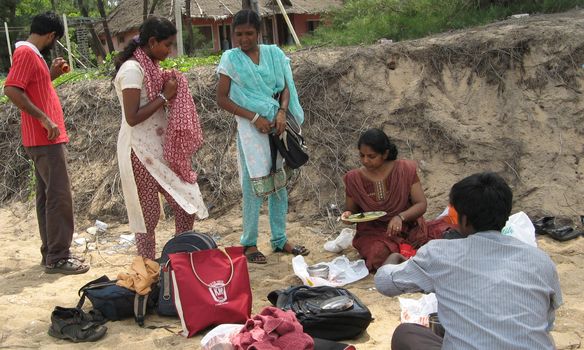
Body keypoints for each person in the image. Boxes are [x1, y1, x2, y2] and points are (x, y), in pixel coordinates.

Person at [375, 172, 563, 350]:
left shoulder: (440, 254)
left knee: (406, 334)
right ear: (505, 215)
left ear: (463, 220)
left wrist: (393, 259)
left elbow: (384, 283)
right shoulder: (540, 260)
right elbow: (546, 323)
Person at [216, 9, 309, 264]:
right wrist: (254, 118)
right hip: (251, 130)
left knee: (279, 183)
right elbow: (222, 98)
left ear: (259, 33)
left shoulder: (273, 54)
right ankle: (249, 243)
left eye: (249, 33)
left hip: (277, 125)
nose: (243, 39)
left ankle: (279, 240)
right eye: (238, 34)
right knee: (253, 186)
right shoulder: (230, 59)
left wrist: (281, 112)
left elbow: (285, 87)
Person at [113, 17, 208, 260]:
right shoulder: (133, 70)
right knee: (149, 216)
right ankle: (148, 267)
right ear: (152, 42)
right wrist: (165, 96)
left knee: (185, 204)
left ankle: (177, 259)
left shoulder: (151, 67)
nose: (170, 50)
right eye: (167, 45)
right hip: (138, 151)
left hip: (160, 148)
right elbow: (132, 117)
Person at [3, 12, 89, 274]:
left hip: (40, 139)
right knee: (59, 197)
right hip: (45, 139)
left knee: (48, 197)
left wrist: (49, 75)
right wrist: (45, 119)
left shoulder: (30, 55)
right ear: (51, 36)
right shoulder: (27, 54)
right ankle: (59, 257)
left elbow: (32, 90)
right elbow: (11, 89)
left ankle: (51, 253)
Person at [341, 128, 452, 271]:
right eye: (362, 156)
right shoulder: (353, 178)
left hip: (408, 228)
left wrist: (400, 217)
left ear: (385, 154)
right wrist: (347, 217)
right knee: (378, 253)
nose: (365, 161)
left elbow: (421, 204)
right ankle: (408, 259)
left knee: (445, 237)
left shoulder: (404, 169)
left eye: (371, 156)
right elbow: (351, 211)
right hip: (374, 232)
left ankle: (408, 257)